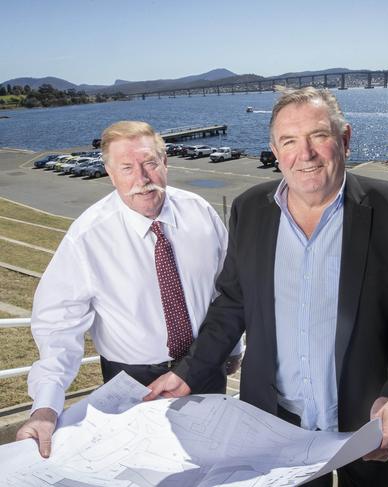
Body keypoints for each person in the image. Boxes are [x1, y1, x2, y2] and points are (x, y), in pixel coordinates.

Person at [147, 87, 388, 486]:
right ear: (274, 149)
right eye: (289, 141)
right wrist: (189, 371)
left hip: (368, 423)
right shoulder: (249, 210)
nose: (304, 154)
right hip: (276, 425)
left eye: (318, 136)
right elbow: (233, 304)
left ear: (344, 139)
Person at [16, 121, 242, 458]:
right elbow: (57, 329)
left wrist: (234, 347)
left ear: (165, 162)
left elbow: (227, 290)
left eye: (150, 163)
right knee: (147, 467)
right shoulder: (87, 238)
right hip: (136, 385)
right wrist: (46, 408)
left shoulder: (200, 212)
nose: (142, 178)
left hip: (205, 367)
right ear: (109, 172)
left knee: (213, 462)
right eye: (126, 168)